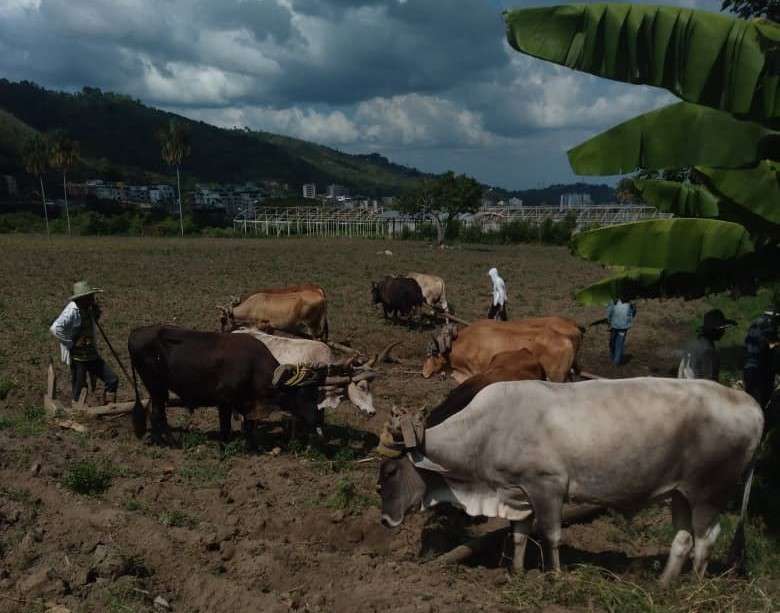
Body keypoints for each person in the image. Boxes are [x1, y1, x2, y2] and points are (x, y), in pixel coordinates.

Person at [50, 280, 118, 405]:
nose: (93, 299)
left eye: (93, 296)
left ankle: (109, 407)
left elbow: (92, 323)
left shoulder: (89, 308)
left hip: (92, 354)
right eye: (90, 297)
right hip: (78, 358)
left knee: (112, 379)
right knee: (79, 390)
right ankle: (77, 411)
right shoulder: (71, 310)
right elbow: (55, 328)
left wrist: (96, 313)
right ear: (82, 298)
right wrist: (71, 343)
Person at [678, 309, 737, 381]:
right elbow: (710, 383)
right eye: (722, 329)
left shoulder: (692, 346)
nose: (723, 332)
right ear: (715, 330)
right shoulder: (708, 351)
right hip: (699, 390)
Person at [743, 302, 779, 411]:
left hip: (748, 369)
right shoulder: (769, 325)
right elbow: (770, 347)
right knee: (759, 406)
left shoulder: (755, 322)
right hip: (761, 371)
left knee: (751, 403)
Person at [606, 297, 636, 366]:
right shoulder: (629, 302)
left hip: (618, 326)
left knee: (615, 343)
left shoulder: (615, 301)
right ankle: (615, 360)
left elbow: (609, 311)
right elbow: (633, 313)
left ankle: (615, 361)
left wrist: (608, 321)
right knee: (617, 343)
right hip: (620, 326)